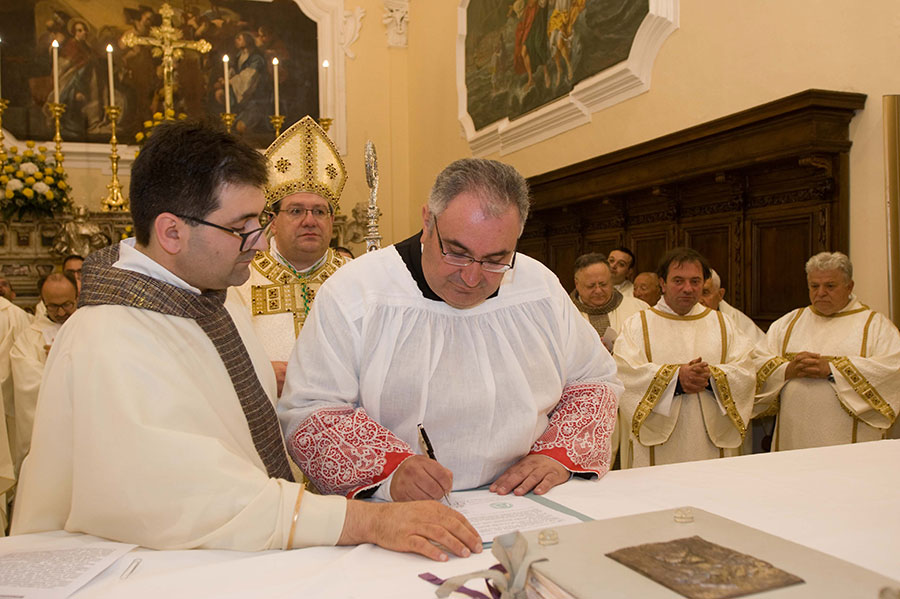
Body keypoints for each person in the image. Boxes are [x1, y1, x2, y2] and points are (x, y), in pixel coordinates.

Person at [11, 121, 480, 562]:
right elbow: (197, 498)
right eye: (242, 228)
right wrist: (370, 520)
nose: (259, 244)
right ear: (171, 232)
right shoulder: (107, 340)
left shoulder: (214, 297)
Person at [278, 158, 622, 501]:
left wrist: (557, 454)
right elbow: (312, 410)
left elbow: (593, 380)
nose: (472, 278)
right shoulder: (356, 292)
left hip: (522, 501)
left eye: (495, 260)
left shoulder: (540, 288)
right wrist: (388, 471)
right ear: (428, 221)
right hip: (395, 508)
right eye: (457, 253)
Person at [229, 116, 350, 397]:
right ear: (272, 220)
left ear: (332, 220)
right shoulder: (239, 279)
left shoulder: (355, 277)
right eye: (296, 211)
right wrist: (260, 372)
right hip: (266, 417)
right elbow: (219, 359)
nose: (310, 221)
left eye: (319, 211)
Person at [614, 248, 755, 468]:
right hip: (657, 445)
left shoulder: (723, 323)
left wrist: (710, 377)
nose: (687, 289)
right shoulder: (637, 324)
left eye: (695, 281)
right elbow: (625, 373)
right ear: (663, 283)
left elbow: (746, 371)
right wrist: (676, 378)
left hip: (711, 441)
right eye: (678, 281)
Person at [755, 252, 900, 450]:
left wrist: (833, 370)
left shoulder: (875, 326)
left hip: (850, 445)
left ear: (849, 287)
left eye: (830, 286)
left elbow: (893, 370)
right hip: (794, 437)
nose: (821, 292)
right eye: (815, 286)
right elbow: (755, 365)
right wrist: (788, 370)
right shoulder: (788, 324)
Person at [569, 252, 646, 467]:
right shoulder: (564, 312)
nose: (598, 291)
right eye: (590, 285)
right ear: (577, 283)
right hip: (585, 407)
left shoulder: (638, 309)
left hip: (631, 399)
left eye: (603, 284)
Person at [9, 273, 77, 475]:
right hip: (49, 433)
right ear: (43, 302)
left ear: (77, 298)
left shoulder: (91, 328)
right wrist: (56, 365)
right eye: (53, 306)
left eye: (67, 304)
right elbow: (27, 383)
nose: (61, 311)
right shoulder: (29, 338)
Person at [700, 269, 765, 345]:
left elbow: (759, 352)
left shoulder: (737, 321)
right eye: (696, 293)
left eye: (705, 293)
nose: (699, 300)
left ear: (720, 294)